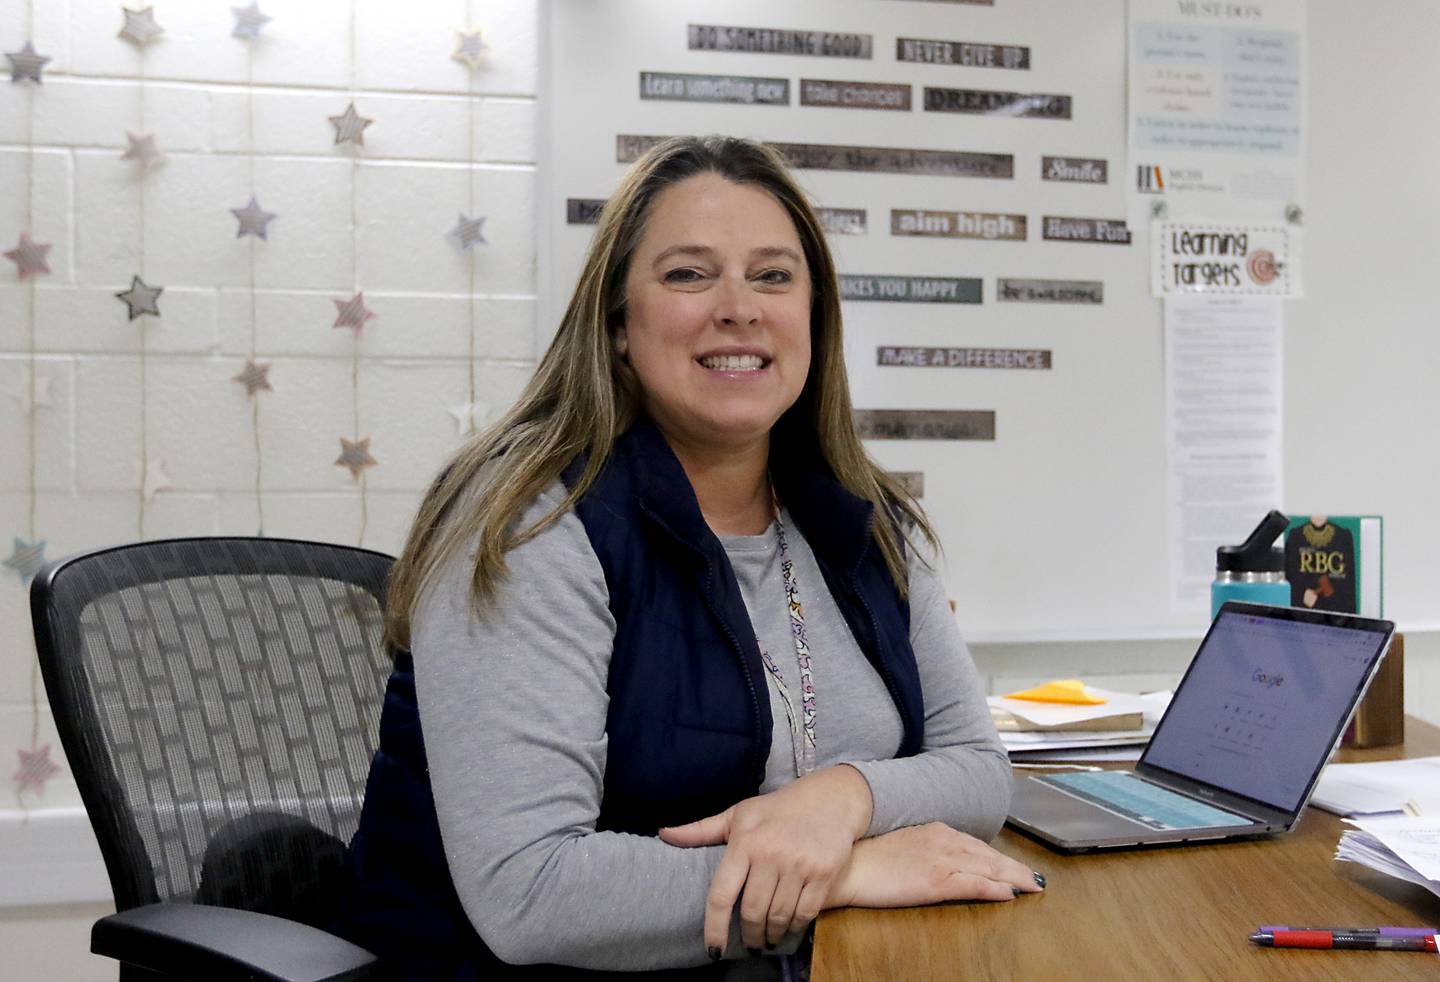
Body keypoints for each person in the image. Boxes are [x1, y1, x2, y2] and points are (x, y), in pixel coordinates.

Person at [341, 135, 1042, 980]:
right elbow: (530, 895)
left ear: (813, 317)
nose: (740, 308)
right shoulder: (529, 520)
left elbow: (976, 775)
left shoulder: (865, 518)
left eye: (774, 276)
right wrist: (844, 873)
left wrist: (841, 798)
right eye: (688, 274)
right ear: (619, 326)